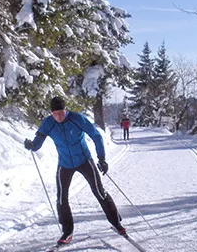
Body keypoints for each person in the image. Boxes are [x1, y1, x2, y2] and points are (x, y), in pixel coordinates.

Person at [24, 96, 125, 244]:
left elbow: (96, 136)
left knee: (99, 191)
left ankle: (117, 223)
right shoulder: (48, 123)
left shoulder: (77, 119)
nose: (59, 116)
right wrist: (31, 145)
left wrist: (101, 158)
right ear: (51, 113)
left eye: (61, 112)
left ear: (66, 110)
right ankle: (67, 232)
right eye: (55, 113)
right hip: (64, 163)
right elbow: (38, 143)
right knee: (61, 198)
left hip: (84, 160)